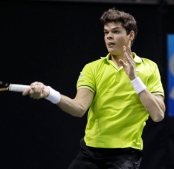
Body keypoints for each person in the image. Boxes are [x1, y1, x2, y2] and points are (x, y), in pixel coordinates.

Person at [22, 8, 166, 169]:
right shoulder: (92, 68)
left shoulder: (149, 67)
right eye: (106, 32)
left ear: (131, 35)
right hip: (89, 152)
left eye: (116, 31)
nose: (109, 36)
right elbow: (79, 108)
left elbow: (158, 115)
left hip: (125, 154)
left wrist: (134, 78)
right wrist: (49, 93)